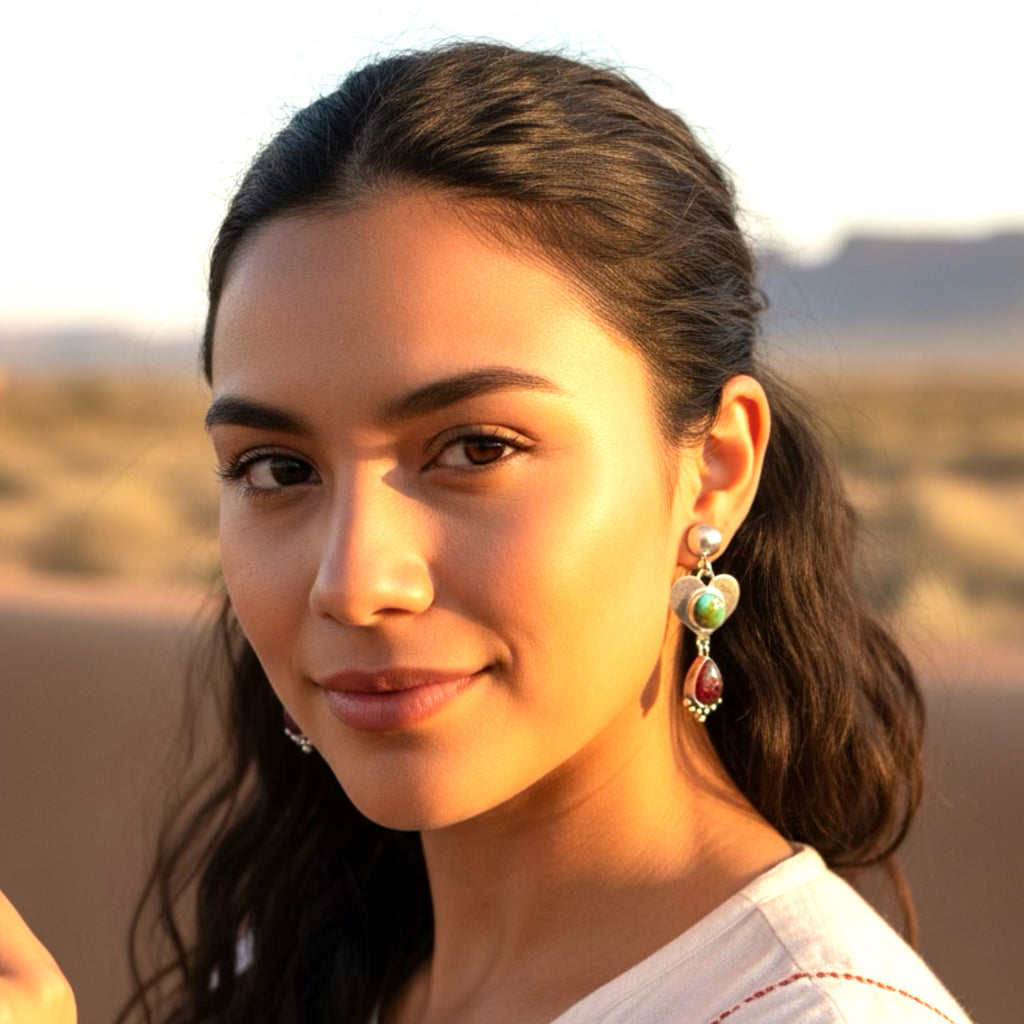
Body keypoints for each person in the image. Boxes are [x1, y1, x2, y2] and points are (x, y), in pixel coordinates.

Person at [1, 42, 971, 1024]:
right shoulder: (298, 957)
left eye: (475, 448)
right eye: (278, 469)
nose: (353, 580)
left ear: (714, 469)